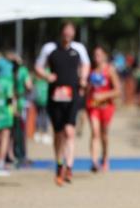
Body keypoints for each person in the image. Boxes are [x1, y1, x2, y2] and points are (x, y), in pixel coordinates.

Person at [35, 22, 90, 186]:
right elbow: (38, 67)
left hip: (72, 96)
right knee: (58, 133)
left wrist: (83, 78)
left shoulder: (79, 49)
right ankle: (59, 165)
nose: (68, 34)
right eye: (65, 31)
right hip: (55, 97)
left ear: (74, 33)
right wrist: (46, 76)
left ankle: (70, 167)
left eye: (70, 31)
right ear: (61, 32)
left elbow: (86, 64)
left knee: (70, 131)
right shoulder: (49, 48)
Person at [86, 46, 121, 172]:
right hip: (93, 106)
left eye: (99, 55)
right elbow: (87, 89)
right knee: (95, 132)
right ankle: (94, 161)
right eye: (95, 55)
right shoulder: (90, 70)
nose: (97, 58)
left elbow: (118, 91)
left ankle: (105, 157)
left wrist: (103, 96)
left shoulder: (110, 70)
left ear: (105, 56)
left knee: (104, 135)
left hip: (106, 106)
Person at [6, 50, 32, 167]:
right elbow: (29, 86)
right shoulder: (23, 71)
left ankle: (10, 154)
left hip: (9, 102)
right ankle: (21, 155)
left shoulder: (7, 71)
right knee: (20, 130)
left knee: (9, 130)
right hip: (20, 102)